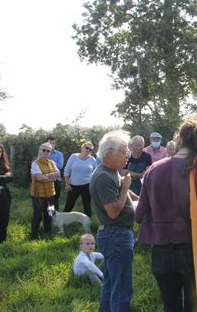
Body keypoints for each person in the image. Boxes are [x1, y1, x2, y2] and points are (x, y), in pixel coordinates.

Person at [135, 117, 197, 312]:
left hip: (160, 250)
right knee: (194, 307)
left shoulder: (153, 169)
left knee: (170, 306)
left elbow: (138, 215)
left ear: (179, 138)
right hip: (192, 248)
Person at [90, 130, 137, 312]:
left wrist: (138, 197)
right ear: (109, 153)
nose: (128, 156)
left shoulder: (112, 172)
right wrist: (125, 187)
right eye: (124, 152)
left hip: (117, 234)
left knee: (111, 283)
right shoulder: (103, 176)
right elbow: (113, 212)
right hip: (115, 234)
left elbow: (125, 197)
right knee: (122, 287)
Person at [30, 142, 60, 239]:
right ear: (39, 150)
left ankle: (48, 233)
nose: (46, 152)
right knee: (37, 216)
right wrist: (50, 176)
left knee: (49, 214)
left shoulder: (52, 163)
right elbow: (39, 178)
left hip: (50, 193)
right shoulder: (35, 163)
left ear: (50, 152)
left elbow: (58, 174)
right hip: (37, 195)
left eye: (48, 151)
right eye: (44, 150)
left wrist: (45, 176)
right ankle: (34, 235)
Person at [63, 142, 98, 217]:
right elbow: (67, 171)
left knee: (87, 206)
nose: (88, 150)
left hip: (87, 186)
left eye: (90, 150)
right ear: (82, 148)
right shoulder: (73, 157)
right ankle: (63, 224)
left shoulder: (92, 159)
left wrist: (94, 184)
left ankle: (87, 225)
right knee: (69, 205)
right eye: (87, 148)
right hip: (73, 185)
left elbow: (96, 172)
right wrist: (67, 184)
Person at [0, 142, 13, 244]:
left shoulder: (3, 165)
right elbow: (7, 177)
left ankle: (1, 243)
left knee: (3, 220)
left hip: (4, 196)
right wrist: (4, 177)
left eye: (0, 151)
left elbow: (11, 177)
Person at [46, 136, 64, 211]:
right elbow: (38, 164)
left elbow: (60, 165)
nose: (52, 145)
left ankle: (55, 217)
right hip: (45, 179)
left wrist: (48, 161)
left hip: (56, 180)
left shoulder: (59, 154)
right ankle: (47, 217)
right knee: (46, 199)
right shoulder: (42, 153)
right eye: (50, 143)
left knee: (55, 200)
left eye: (53, 143)